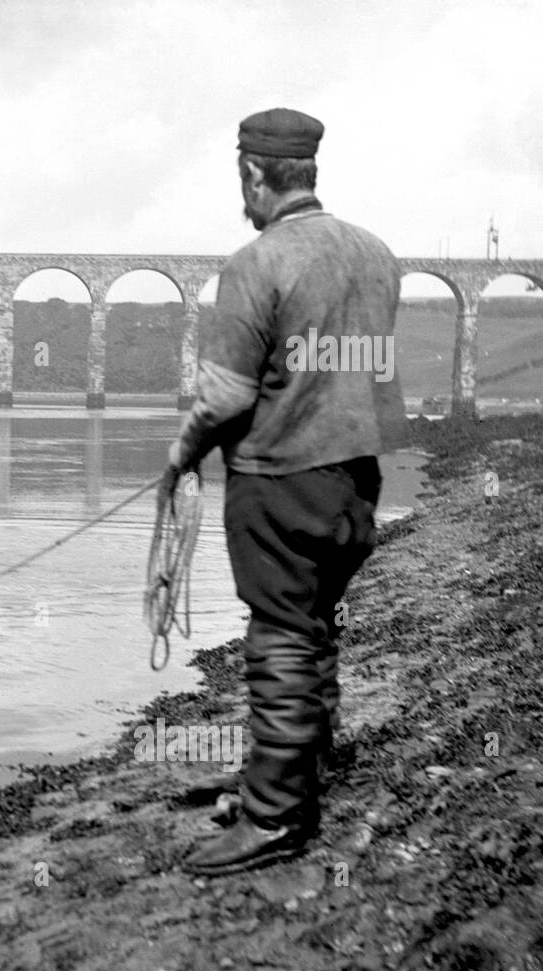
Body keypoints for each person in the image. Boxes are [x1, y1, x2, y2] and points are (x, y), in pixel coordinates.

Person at [165, 108, 409, 876]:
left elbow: (227, 395)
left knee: (280, 637)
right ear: (309, 169)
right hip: (358, 480)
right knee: (313, 626)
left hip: (281, 481)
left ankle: (273, 817)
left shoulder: (254, 263)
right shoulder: (378, 255)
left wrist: (179, 457)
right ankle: (294, 780)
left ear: (251, 174)